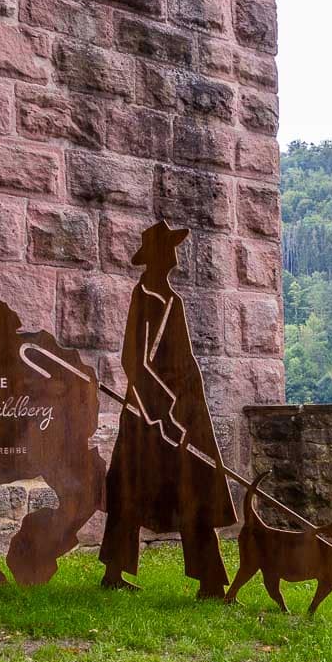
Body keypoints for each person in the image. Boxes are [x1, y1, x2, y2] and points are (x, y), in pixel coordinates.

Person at [100, 221, 236, 599]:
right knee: (131, 491)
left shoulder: (170, 298)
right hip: (153, 416)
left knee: (196, 491)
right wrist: (164, 415)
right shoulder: (147, 296)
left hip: (183, 413)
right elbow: (135, 361)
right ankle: (115, 571)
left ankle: (210, 581)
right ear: (160, 254)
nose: (177, 254)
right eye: (170, 247)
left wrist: (184, 412)